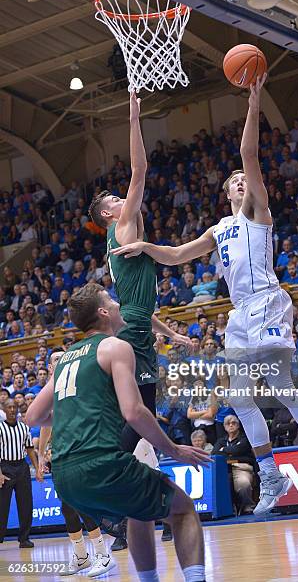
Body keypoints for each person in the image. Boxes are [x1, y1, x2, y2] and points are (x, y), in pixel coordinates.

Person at [112, 76, 298, 515]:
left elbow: (249, 154)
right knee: (239, 396)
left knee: (278, 383)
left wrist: (254, 103)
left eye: (245, 180)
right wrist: (145, 246)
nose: (242, 181)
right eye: (235, 181)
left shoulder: (259, 211)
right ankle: (272, 475)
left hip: (269, 302)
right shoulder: (220, 229)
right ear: (225, 192)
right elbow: (178, 254)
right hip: (240, 315)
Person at [26, 283, 209, 582]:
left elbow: (34, 416)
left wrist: (77, 411)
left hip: (65, 477)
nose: (117, 305)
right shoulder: (115, 347)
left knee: (138, 509)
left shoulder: (66, 359)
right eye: (111, 300)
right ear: (102, 312)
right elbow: (133, 412)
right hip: (101, 463)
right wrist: (176, 450)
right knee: (183, 509)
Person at [89, 94, 189, 547]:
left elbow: (139, 310)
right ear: (110, 214)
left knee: (139, 414)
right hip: (131, 331)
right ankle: (105, 489)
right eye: (114, 199)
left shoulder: (127, 240)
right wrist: (133, 113)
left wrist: (172, 333)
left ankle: (115, 496)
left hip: (133, 325)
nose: (121, 198)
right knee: (140, 415)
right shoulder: (123, 225)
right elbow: (140, 171)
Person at [38, 348, 114, 577]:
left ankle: (103, 553)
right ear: (50, 367)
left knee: (83, 503)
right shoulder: (51, 390)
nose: (60, 362)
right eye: (55, 360)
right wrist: (41, 455)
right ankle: (81, 556)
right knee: (67, 507)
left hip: (82, 449)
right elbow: (45, 423)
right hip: (61, 454)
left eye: (63, 358)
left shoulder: (78, 383)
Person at [0, 399, 42, 548]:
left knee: (26, 505)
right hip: (4, 467)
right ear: (4, 410)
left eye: (14, 407)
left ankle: (24, 538)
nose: (12, 410)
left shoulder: (24, 428)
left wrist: (37, 468)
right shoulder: (0, 428)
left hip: (22, 467)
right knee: (2, 507)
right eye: (9, 407)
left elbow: (30, 448)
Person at [212, 415, 256, 515]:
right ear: (224, 427)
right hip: (224, 469)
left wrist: (224, 450)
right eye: (228, 423)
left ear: (238, 425)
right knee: (219, 486)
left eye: (233, 423)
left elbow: (239, 449)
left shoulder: (245, 437)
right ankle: (228, 510)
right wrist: (232, 452)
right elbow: (214, 453)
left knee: (243, 484)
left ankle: (247, 507)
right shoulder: (221, 441)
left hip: (242, 467)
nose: (231, 425)